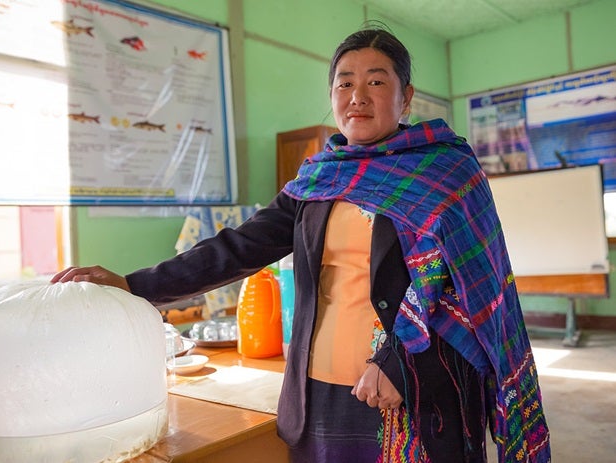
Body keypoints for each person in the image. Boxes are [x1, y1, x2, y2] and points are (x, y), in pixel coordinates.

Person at [52, 24, 551, 463]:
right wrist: (134, 285)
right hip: (319, 395)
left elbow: (473, 294)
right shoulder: (318, 180)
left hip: (412, 392)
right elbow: (238, 247)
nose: (358, 95)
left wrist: (401, 361)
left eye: (377, 81)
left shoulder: (446, 174)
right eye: (345, 83)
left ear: (407, 96)